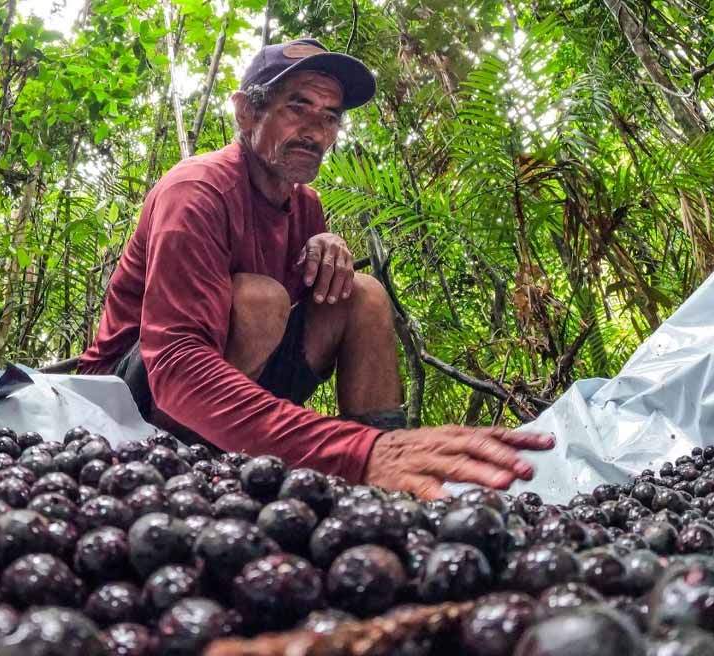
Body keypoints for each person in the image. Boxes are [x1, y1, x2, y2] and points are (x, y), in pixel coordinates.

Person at [79, 37, 555, 498]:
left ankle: (390, 484)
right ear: (247, 112)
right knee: (260, 300)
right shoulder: (197, 192)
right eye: (297, 106)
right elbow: (177, 367)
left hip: (236, 384)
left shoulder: (307, 206)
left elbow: (310, 315)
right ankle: (186, 468)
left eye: (329, 117)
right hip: (133, 401)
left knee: (362, 293)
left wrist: (326, 248)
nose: (315, 131)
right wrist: (355, 452)